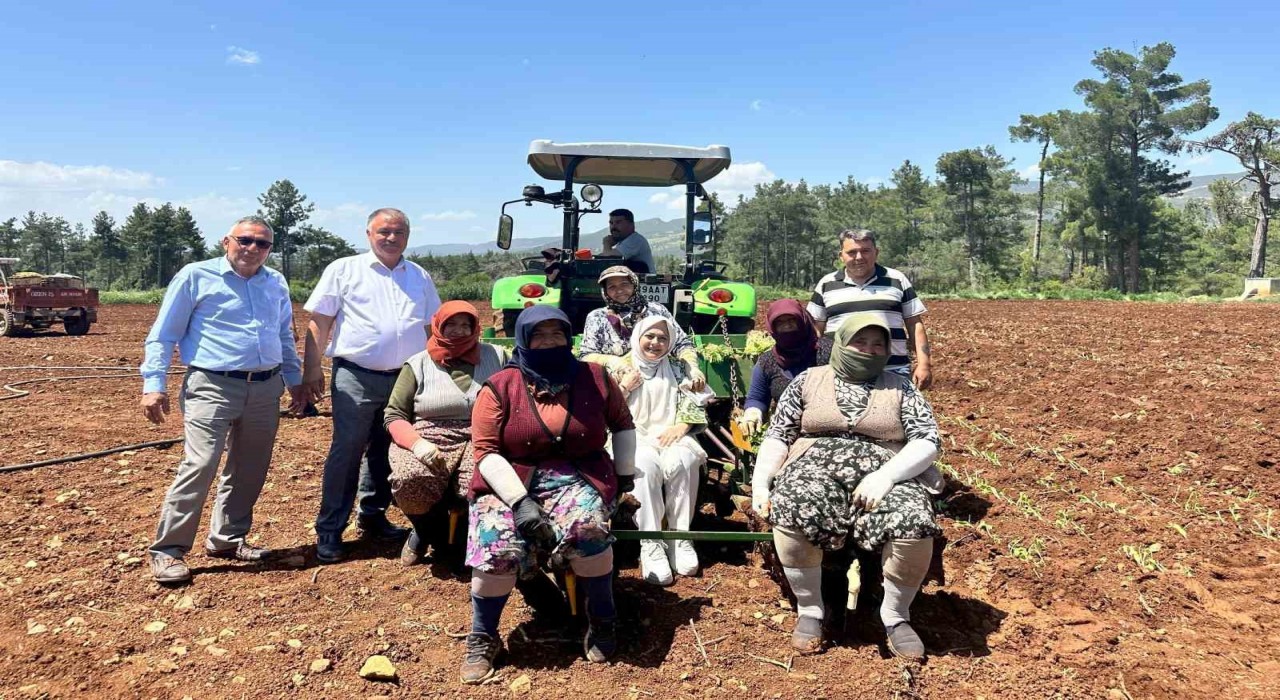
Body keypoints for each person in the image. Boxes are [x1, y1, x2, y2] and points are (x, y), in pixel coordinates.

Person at [460, 306, 637, 683]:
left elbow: (623, 425)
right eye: (539, 335)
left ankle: (602, 619)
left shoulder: (595, 377)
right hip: (511, 478)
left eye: (557, 334)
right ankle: (482, 635)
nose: (549, 341)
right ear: (523, 339)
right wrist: (519, 501)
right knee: (497, 544)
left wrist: (624, 478)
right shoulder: (501, 386)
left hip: (581, 474)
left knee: (588, 530)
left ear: (569, 337)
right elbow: (486, 452)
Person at [751, 313, 944, 659]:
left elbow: (927, 440)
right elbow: (779, 434)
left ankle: (895, 616)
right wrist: (761, 483)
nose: (868, 350)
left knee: (913, 519)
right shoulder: (808, 381)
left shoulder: (899, 386)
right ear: (841, 343)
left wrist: (887, 476)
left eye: (877, 344)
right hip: (813, 467)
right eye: (860, 341)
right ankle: (811, 610)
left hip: (884, 472)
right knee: (794, 504)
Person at [141, 216, 307, 584]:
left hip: (265, 387)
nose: (253, 249)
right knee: (200, 463)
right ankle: (168, 550)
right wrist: (154, 383)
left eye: (262, 244)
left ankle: (227, 539)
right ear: (226, 241)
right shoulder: (195, 276)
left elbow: (283, 334)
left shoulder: (275, 281)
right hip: (212, 384)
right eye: (245, 240)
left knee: (250, 466)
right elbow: (163, 335)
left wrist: (294, 380)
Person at [303, 208, 441, 563]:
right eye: (384, 231)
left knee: (387, 449)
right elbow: (320, 322)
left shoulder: (419, 276)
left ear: (407, 237)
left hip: (406, 378)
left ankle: (373, 515)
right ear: (368, 234)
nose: (391, 238)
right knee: (347, 450)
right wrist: (312, 368)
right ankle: (330, 529)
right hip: (356, 375)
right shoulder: (344, 269)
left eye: (398, 232)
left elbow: (431, 329)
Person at [382, 301, 510, 565]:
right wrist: (417, 445)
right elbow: (394, 415)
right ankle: (423, 531)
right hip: (429, 435)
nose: (458, 330)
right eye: (451, 324)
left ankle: (468, 545)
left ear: (476, 327)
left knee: (483, 484)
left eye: (466, 324)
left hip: (484, 434)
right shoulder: (417, 364)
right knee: (411, 479)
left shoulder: (498, 356)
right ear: (438, 325)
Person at [609, 315, 711, 586]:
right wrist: (624, 387)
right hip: (631, 435)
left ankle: (680, 537)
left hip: (671, 434)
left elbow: (694, 400)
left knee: (683, 460)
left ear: (671, 342)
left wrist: (682, 425)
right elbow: (605, 409)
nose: (656, 343)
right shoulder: (621, 368)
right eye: (650, 337)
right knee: (643, 463)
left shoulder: (678, 367)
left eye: (663, 338)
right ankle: (651, 542)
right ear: (637, 337)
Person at [806, 229, 933, 389]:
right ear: (841, 256)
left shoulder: (897, 279)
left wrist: (924, 364)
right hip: (842, 373)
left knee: (896, 413)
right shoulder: (826, 284)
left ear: (876, 252)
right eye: (852, 252)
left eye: (865, 251)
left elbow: (915, 324)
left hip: (893, 371)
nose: (859, 257)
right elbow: (815, 331)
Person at [579, 265, 706, 392]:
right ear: (605, 291)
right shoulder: (597, 317)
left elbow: (681, 344)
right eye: (612, 287)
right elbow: (586, 355)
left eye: (624, 284)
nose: (619, 290)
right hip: (619, 387)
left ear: (634, 284)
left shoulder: (656, 310)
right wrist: (614, 361)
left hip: (660, 384)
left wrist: (692, 368)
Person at [738, 299, 834, 436]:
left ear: (803, 321)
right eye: (780, 323)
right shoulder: (767, 362)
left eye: (791, 320)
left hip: (830, 428)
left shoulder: (828, 352)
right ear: (772, 328)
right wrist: (752, 413)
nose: (787, 326)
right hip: (786, 431)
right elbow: (757, 398)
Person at [600, 208, 655, 274]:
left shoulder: (635, 240)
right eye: (611, 223)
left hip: (645, 282)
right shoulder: (622, 243)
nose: (613, 227)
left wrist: (607, 244)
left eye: (618, 222)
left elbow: (607, 262)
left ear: (631, 224)